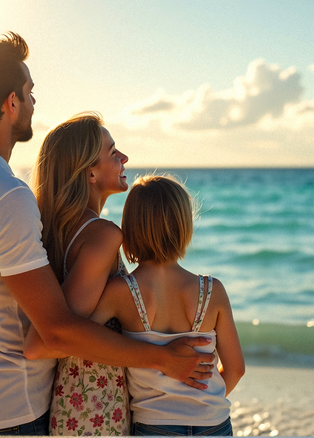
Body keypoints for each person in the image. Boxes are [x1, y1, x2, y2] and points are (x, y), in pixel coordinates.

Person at [0, 32, 214, 436]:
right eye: (30, 91)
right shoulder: (6, 195)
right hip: (14, 409)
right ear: (12, 102)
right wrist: (161, 359)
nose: (34, 102)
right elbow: (52, 333)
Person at [90, 174, 246, 436]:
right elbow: (236, 369)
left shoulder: (122, 291)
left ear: (130, 228)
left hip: (155, 425)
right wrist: (202, 403)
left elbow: (79, 336)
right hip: (214, 423)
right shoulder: (212, 291)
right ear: (184, 226)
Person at [24, 112, 131, 435]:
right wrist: (160, 357)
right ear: (90, 173)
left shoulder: (55, 231)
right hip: (95, 410)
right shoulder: (102, 235)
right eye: (113, 153)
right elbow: (42, 343)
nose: (124, 157)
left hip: (73, 404)